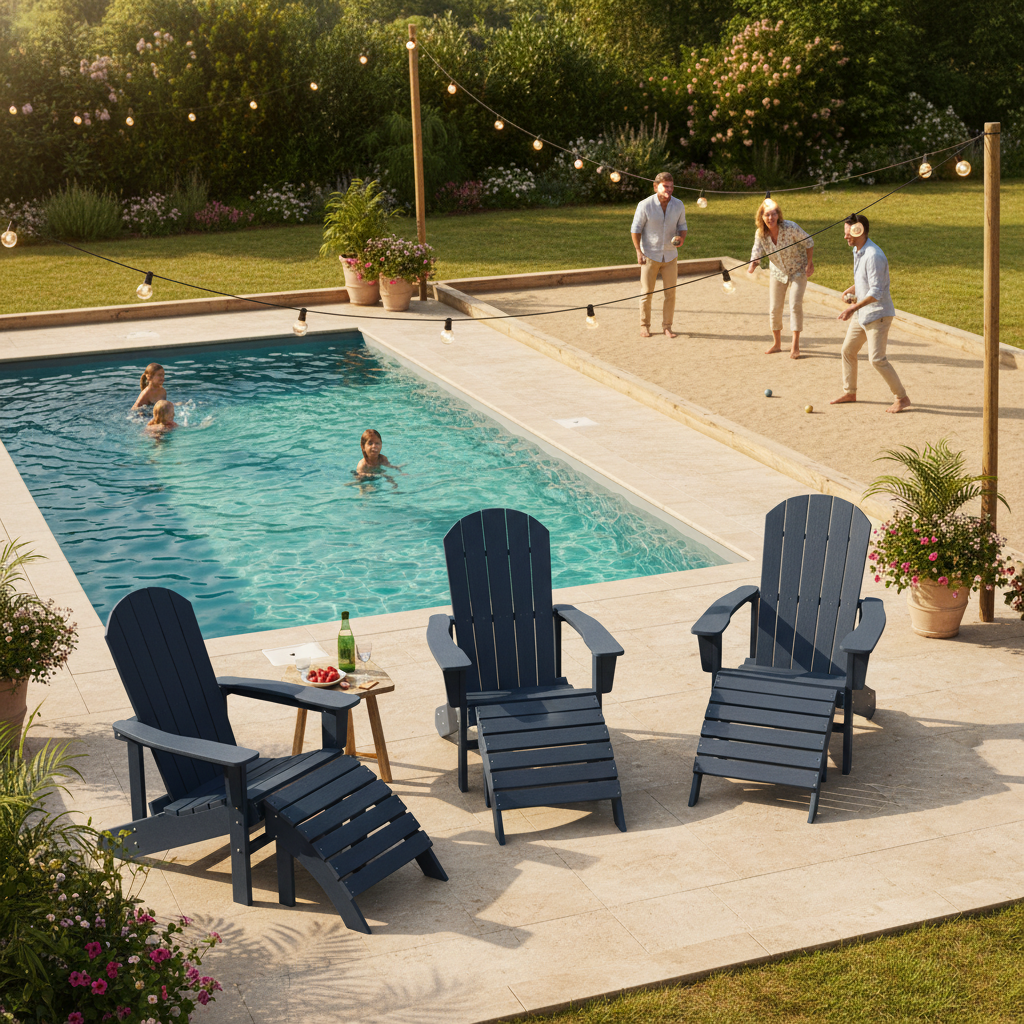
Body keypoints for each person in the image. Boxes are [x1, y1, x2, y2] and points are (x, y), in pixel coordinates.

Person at [830, 214, 911, 414]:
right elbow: (864, 281)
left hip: (878, 315)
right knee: (848, 351)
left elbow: (876, 292)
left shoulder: (874, 255)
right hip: (863, 314)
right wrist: (851, 290)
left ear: (859, 231)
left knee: (877, 359)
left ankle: (902, 398)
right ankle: (850, 392)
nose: (845, 237)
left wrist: (852, 308)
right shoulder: (858, 251)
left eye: (847, 233)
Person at [746, 198, 814, 359]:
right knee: (775, 308)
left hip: (798, 269)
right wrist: (753, 263)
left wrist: (809, 264)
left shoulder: (790, 227)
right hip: (777, 271)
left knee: (795, 304)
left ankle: (795, 345)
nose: (771, 218)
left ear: (778, 215)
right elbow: (756, 251)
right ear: (761, 217)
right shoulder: (760, 233)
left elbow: (809, 241)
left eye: (773, 214)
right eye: (767, 215)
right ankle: (777, 344)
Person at [630, 172, 687, 339]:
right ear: (656, 187)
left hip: (670, 256)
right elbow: (635, 229)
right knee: (647, 292)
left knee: (671, 293)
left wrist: (681, 238)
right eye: (665, 186)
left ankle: (667, 326)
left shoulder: (678, 205)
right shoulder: (645, 205)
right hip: (649, 255)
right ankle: (644, 325)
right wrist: (638, 252)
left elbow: (682, 225)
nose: (669, 190)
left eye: (671, 186)